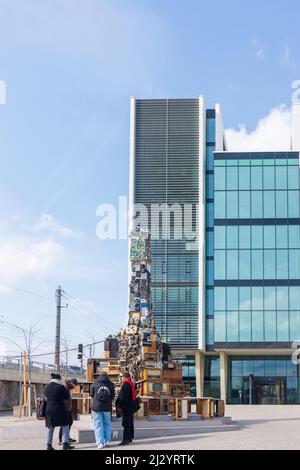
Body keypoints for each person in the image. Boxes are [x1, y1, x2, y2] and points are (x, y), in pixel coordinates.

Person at [44, 373, 74, 451]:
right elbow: (66, 397)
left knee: (50, 428)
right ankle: (65, 444)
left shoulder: (47, 387)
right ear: (58, 379)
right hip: (60, 409)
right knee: (65, 425)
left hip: (49, 410)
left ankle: (49, 445)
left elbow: (46, 398)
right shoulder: (61, 387)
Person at [90, 372, 115, 449]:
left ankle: (100, 443)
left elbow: (91, 395)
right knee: (107, 424)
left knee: (98, 425)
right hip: (107, 408)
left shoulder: (94, 384)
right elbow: (112, 396)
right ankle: (107, 442)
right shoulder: (111, 385)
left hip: (96, 408)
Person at [116, 372, 136, 446]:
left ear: (124, 377)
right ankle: (130, 438)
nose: (121, 379)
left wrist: (119, 404)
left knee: (126, 423)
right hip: (131, 407)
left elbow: (122, 397)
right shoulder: (131, 383)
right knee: (130, 423)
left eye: (121, 377)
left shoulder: (125, 384)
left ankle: (126, 440)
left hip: (126, 407)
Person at [58, 378, 78, 446]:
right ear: (71, 383)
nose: (74, 387)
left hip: (67, 408)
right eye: (74, 385)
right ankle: (62, 439)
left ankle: (66, 437)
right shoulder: (65, 387)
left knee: (69, 422)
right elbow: (64, 399)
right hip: (65, 409)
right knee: (65, 423)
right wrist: (67, 407)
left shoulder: (68, 387)